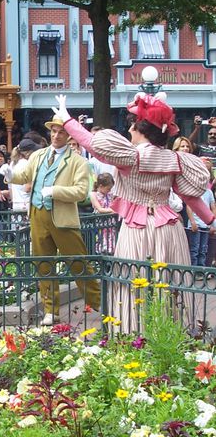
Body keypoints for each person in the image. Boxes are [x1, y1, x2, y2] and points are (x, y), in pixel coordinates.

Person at [53, 93, 216, 330]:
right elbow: (190, 196)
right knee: (168, 281)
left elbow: (91, 143)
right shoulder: (176, 159)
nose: (129, 129)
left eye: (133, 124)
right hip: (168, 227)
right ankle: (171, 330)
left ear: (142, 129)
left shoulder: (131, 157)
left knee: (132, 280)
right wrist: (211, 220)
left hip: (137, 228)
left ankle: (132, 332)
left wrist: (67, 119)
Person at [4, 114, 101, 326]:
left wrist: (55, 191)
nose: (56, 135)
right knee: (43, 264)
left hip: (63, 219)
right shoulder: (38, 155)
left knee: (78, 262)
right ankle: (51, 311)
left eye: (62, 132)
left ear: (69, 135)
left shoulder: (78, 161)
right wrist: (10, 175)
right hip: (38, 214)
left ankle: (97, 303)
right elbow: (26, 177)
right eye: (54, 131)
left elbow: (82, 192)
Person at [185, 157, 216, 267]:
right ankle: (193, 270)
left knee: (203, 249)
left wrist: (213, 224)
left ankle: (201, 270)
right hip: (195, 225)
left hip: (206, 225)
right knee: (194, 249)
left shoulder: (209, 192)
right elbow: (189, 206)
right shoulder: (193, 189)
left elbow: (213, 208)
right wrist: (192, 222)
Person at [90, 172, 117, 254]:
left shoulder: (109, 194)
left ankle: (111, 254)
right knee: (102, 239)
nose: (109, 190)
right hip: (101, 222)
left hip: (111, 222)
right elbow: (100, 209)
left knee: (112, 239)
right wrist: (113, 210)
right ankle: (103, 254)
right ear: (101, 186)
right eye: (108, 189)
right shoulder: (93, 194)